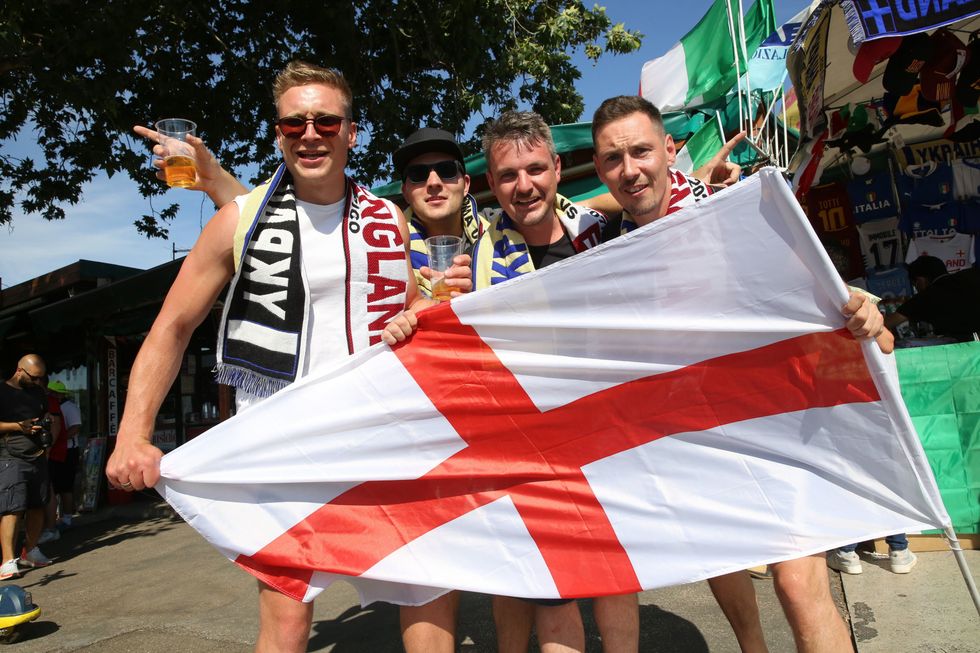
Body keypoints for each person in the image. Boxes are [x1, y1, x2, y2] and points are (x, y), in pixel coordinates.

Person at [107, 61, 441, 653]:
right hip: (285, 444)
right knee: (287, 618)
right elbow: (171, 327)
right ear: (278, 133)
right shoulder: (238, 220)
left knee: (427, 596)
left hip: (383, 434)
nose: (310, 133)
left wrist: (420, 311)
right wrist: (132, 434)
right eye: (294, 124)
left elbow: (406, 311)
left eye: (325, 121)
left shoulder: (389, 220)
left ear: (352, 132)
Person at [590, 94, 893, 653]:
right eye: (612, 159)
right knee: (721, 553)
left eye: (641, 152)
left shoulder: (737, 208)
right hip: (693, 435)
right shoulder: (603, 242)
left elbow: (827, 296)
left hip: (776, 423)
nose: (629, 170)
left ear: (670, 150)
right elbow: (551, 206)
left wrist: (868, 313)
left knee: (799, 585)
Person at [0, 355, 55, 580]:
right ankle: (7, 561)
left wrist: (47, 420)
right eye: (34, 378)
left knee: (37, 504)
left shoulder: (38, 392)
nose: (37, 382)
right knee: (13, 507)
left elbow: (43, 415)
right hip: (11, 455)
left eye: (41, 378)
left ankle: (31, 551)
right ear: (20, 370)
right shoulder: (2, 392)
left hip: (37, 454)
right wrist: (18, 427)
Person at [886, 255, 980, 341]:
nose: (917, 289)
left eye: (915, 285)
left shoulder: (926, 297)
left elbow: (888, 322)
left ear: (920, 281)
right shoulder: (972, 274)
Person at [40, 380, 80, 543]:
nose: (53, 395)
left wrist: (59, 439)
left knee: (65, 486)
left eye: (55, 393)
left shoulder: (69, 407)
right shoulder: (53, 406)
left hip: (68, 450)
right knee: (55, 486)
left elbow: (76, 427)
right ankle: (56, 518)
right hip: (57, 451)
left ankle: (68, 518)